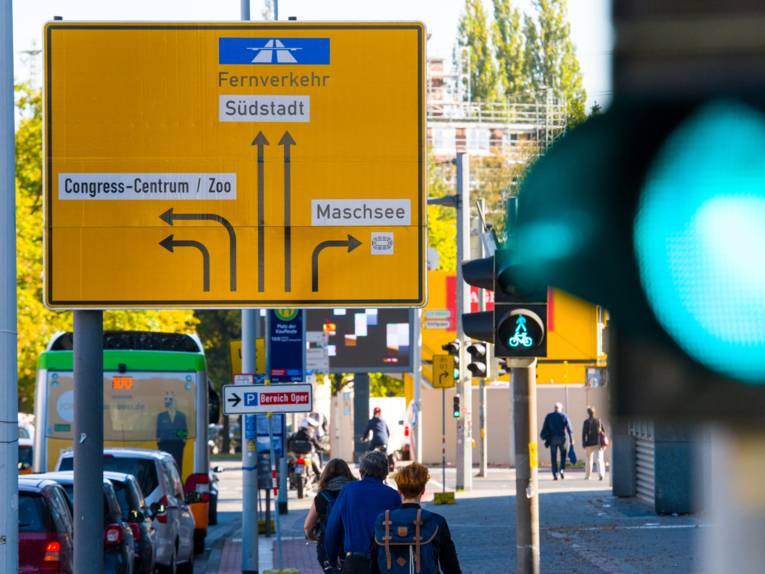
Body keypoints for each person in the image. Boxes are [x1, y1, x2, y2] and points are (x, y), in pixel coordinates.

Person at [372, 463, 462, 574]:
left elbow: (374, 565)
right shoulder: (437, 521)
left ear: (399, 490)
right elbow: (450, 565)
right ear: (423, 490)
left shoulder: (382, 521)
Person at [325, 450, 401, 573]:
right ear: (385, 473)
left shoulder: (348, 491)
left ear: (362, 472)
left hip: (355, 562)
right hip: (385, 562)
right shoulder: (393, 496)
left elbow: (332, 528)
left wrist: (332, 559)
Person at [305, 459, 357, 573]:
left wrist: (314, 537)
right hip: (352, 545)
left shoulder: (322, 496)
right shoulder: (355, 492)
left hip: (327, 546)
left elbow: (307, 527)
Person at [540, 402, 573, 480]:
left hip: (553, 438)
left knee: (553, 456)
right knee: (563, 455)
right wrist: (571, 439)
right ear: (560, 408)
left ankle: (555, 473)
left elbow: (545, 427)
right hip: (562, 438)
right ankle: (561, 470)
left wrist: (545, 436)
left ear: (554, 408)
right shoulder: (564, 416)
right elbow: (569, 429)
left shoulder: (549, 416)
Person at [156, 392, 188, 471]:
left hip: (178, 444)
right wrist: (160, 443)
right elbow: (158, 431)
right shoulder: (161, 416)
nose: (167, 401)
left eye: (170, 399)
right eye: (166, 399)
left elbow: (184, 431)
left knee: (178, 465)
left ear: (175, 401)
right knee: (165, 466)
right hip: (165, 444)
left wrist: (180, 439)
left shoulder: (181, 416)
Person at [582, 406, 606, 480]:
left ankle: (588, 475)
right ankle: (601, 474)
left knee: (588, 459)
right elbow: (603, 432)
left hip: (589, 443)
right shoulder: (598, 420)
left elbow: (584, 434)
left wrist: (583, 443)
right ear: (594, 412)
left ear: (588, 413)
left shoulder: (586, 422)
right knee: (599, 459)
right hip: (597, 443)